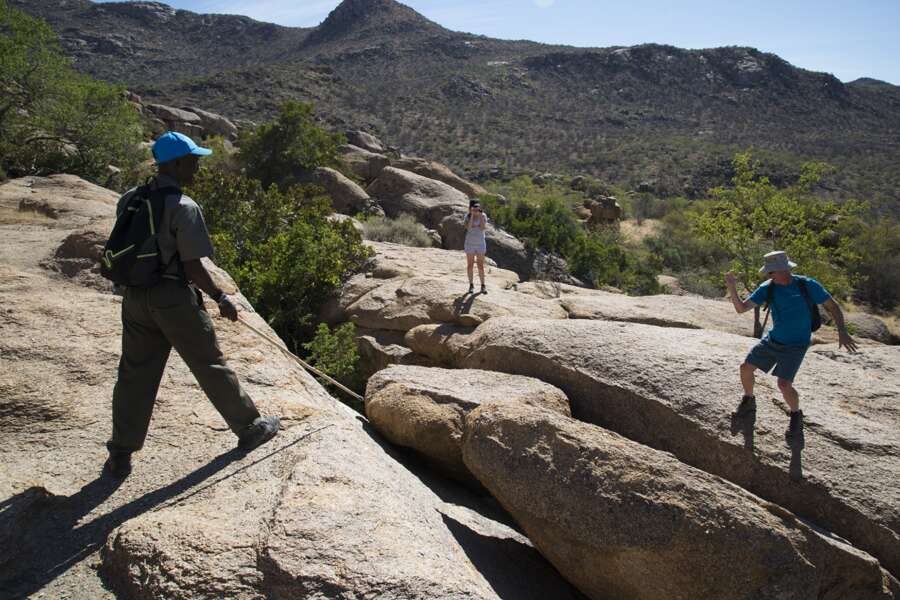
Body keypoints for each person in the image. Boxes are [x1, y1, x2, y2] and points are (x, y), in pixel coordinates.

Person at [104, 131, 279, 478]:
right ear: (175, 164)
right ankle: (249, 427)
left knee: (135, 373)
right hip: (171, 299)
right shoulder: (184, 207)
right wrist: (220, 297)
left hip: (135, 298)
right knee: (209, 363)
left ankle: (121, 453)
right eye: (193, 161)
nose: (197, 167)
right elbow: (193, 266)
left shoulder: (130, 198)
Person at [725, 250, 858, 448]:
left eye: (772, 271)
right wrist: (732, 288)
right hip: (773, 340)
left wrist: (842, 331)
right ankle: (749, 399)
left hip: (797, 345)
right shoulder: (767, 288)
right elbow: (741, 308)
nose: (769, 275)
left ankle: (796, 415)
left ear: (784, 269)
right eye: (768, 272)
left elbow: (832, 306)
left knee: (784, 384)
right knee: (745, 367)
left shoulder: (807, 285)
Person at [464, 199, 488, 294]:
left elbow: (482, 228)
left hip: (480, 244)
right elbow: (469, 228)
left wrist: (480, 216)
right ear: (470, 208)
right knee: (470, 265)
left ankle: (483, 285)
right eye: (474, 207)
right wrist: (472, 215)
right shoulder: (467, 216)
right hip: (470, 244)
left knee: (480, 265)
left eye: (477, 207)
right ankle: (471, 285)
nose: (476, 209)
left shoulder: (483, 215)